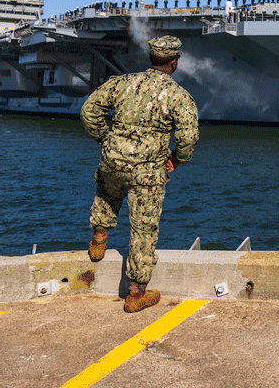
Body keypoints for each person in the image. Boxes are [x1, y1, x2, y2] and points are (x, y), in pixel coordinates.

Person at [81, 35, 199, 313]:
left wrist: (106, 139)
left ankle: (99, 238)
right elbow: (189, 138)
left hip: (114, 159)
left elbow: (89, 110)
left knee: (107, 192)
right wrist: (177, 160)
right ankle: (136, 294)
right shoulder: (179, 95)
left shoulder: (122, 82)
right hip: (147, 170)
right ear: (174, 61)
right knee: (143, 229)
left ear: (152, 58)